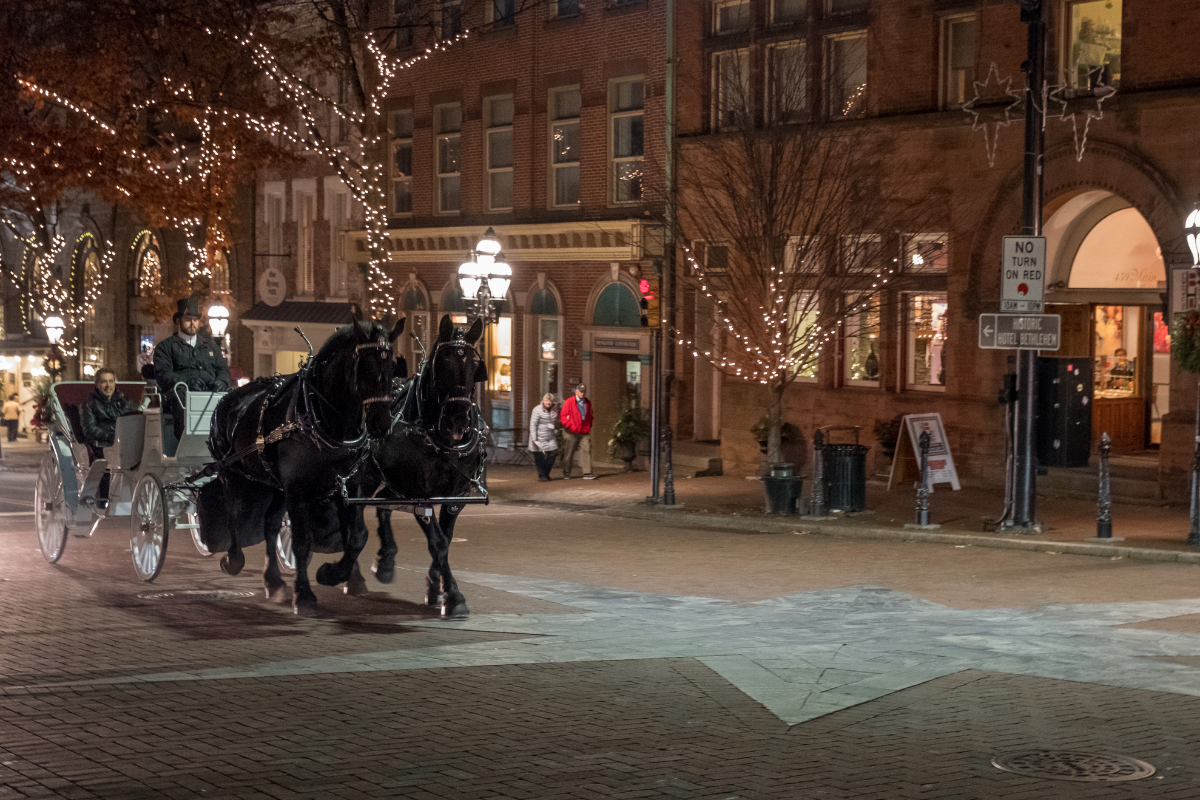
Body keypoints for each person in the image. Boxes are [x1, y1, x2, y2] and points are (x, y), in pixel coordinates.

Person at [153, 296, 231, 442]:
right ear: (178, 321)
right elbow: (164, 374)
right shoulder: (166, 347)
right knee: (180, 395)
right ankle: (185, 439)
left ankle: (228, 437)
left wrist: (222, 381)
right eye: (188, 319)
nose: (192, 323)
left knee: (233, 396)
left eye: (195, 319)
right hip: (183, 392)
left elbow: (223, 369)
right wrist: (188, 382)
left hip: (210, 389)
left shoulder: (211, 346)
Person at [80, 368, 134, 460]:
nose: (108, 385)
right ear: (97, 384)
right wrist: (110, 436)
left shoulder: (123, 401)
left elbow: (133, 418)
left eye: (111, 381)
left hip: (125, 443)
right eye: (104, 382)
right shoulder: (89, 404)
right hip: (102, 446)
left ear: (114, 383)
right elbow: (90, 429)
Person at [559, 383, 595, 480]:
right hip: (571, 432)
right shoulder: (569, 402)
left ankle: (587, 472)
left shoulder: (587, 402)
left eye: (584, 391)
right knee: (569, 452)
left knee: (586, 450)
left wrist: (588, 426)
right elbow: (563, 416)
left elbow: (590, 416)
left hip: (583, 431)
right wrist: (569, 426)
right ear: (576, 391)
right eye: (580, 391)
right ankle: (566, 473)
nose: (582, 393)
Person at [528, 393, 558, 482]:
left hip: (550, 437)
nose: (548, 402)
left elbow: (553, 422)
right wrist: (534, 437)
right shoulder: (537, 410)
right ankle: (542, 475)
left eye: (550, 401)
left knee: (553, 453)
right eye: (546, 400)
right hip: (538, 437)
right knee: (539, 456)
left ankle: (546, 473)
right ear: (543, 401)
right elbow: (533, 424)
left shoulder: (554, 410)